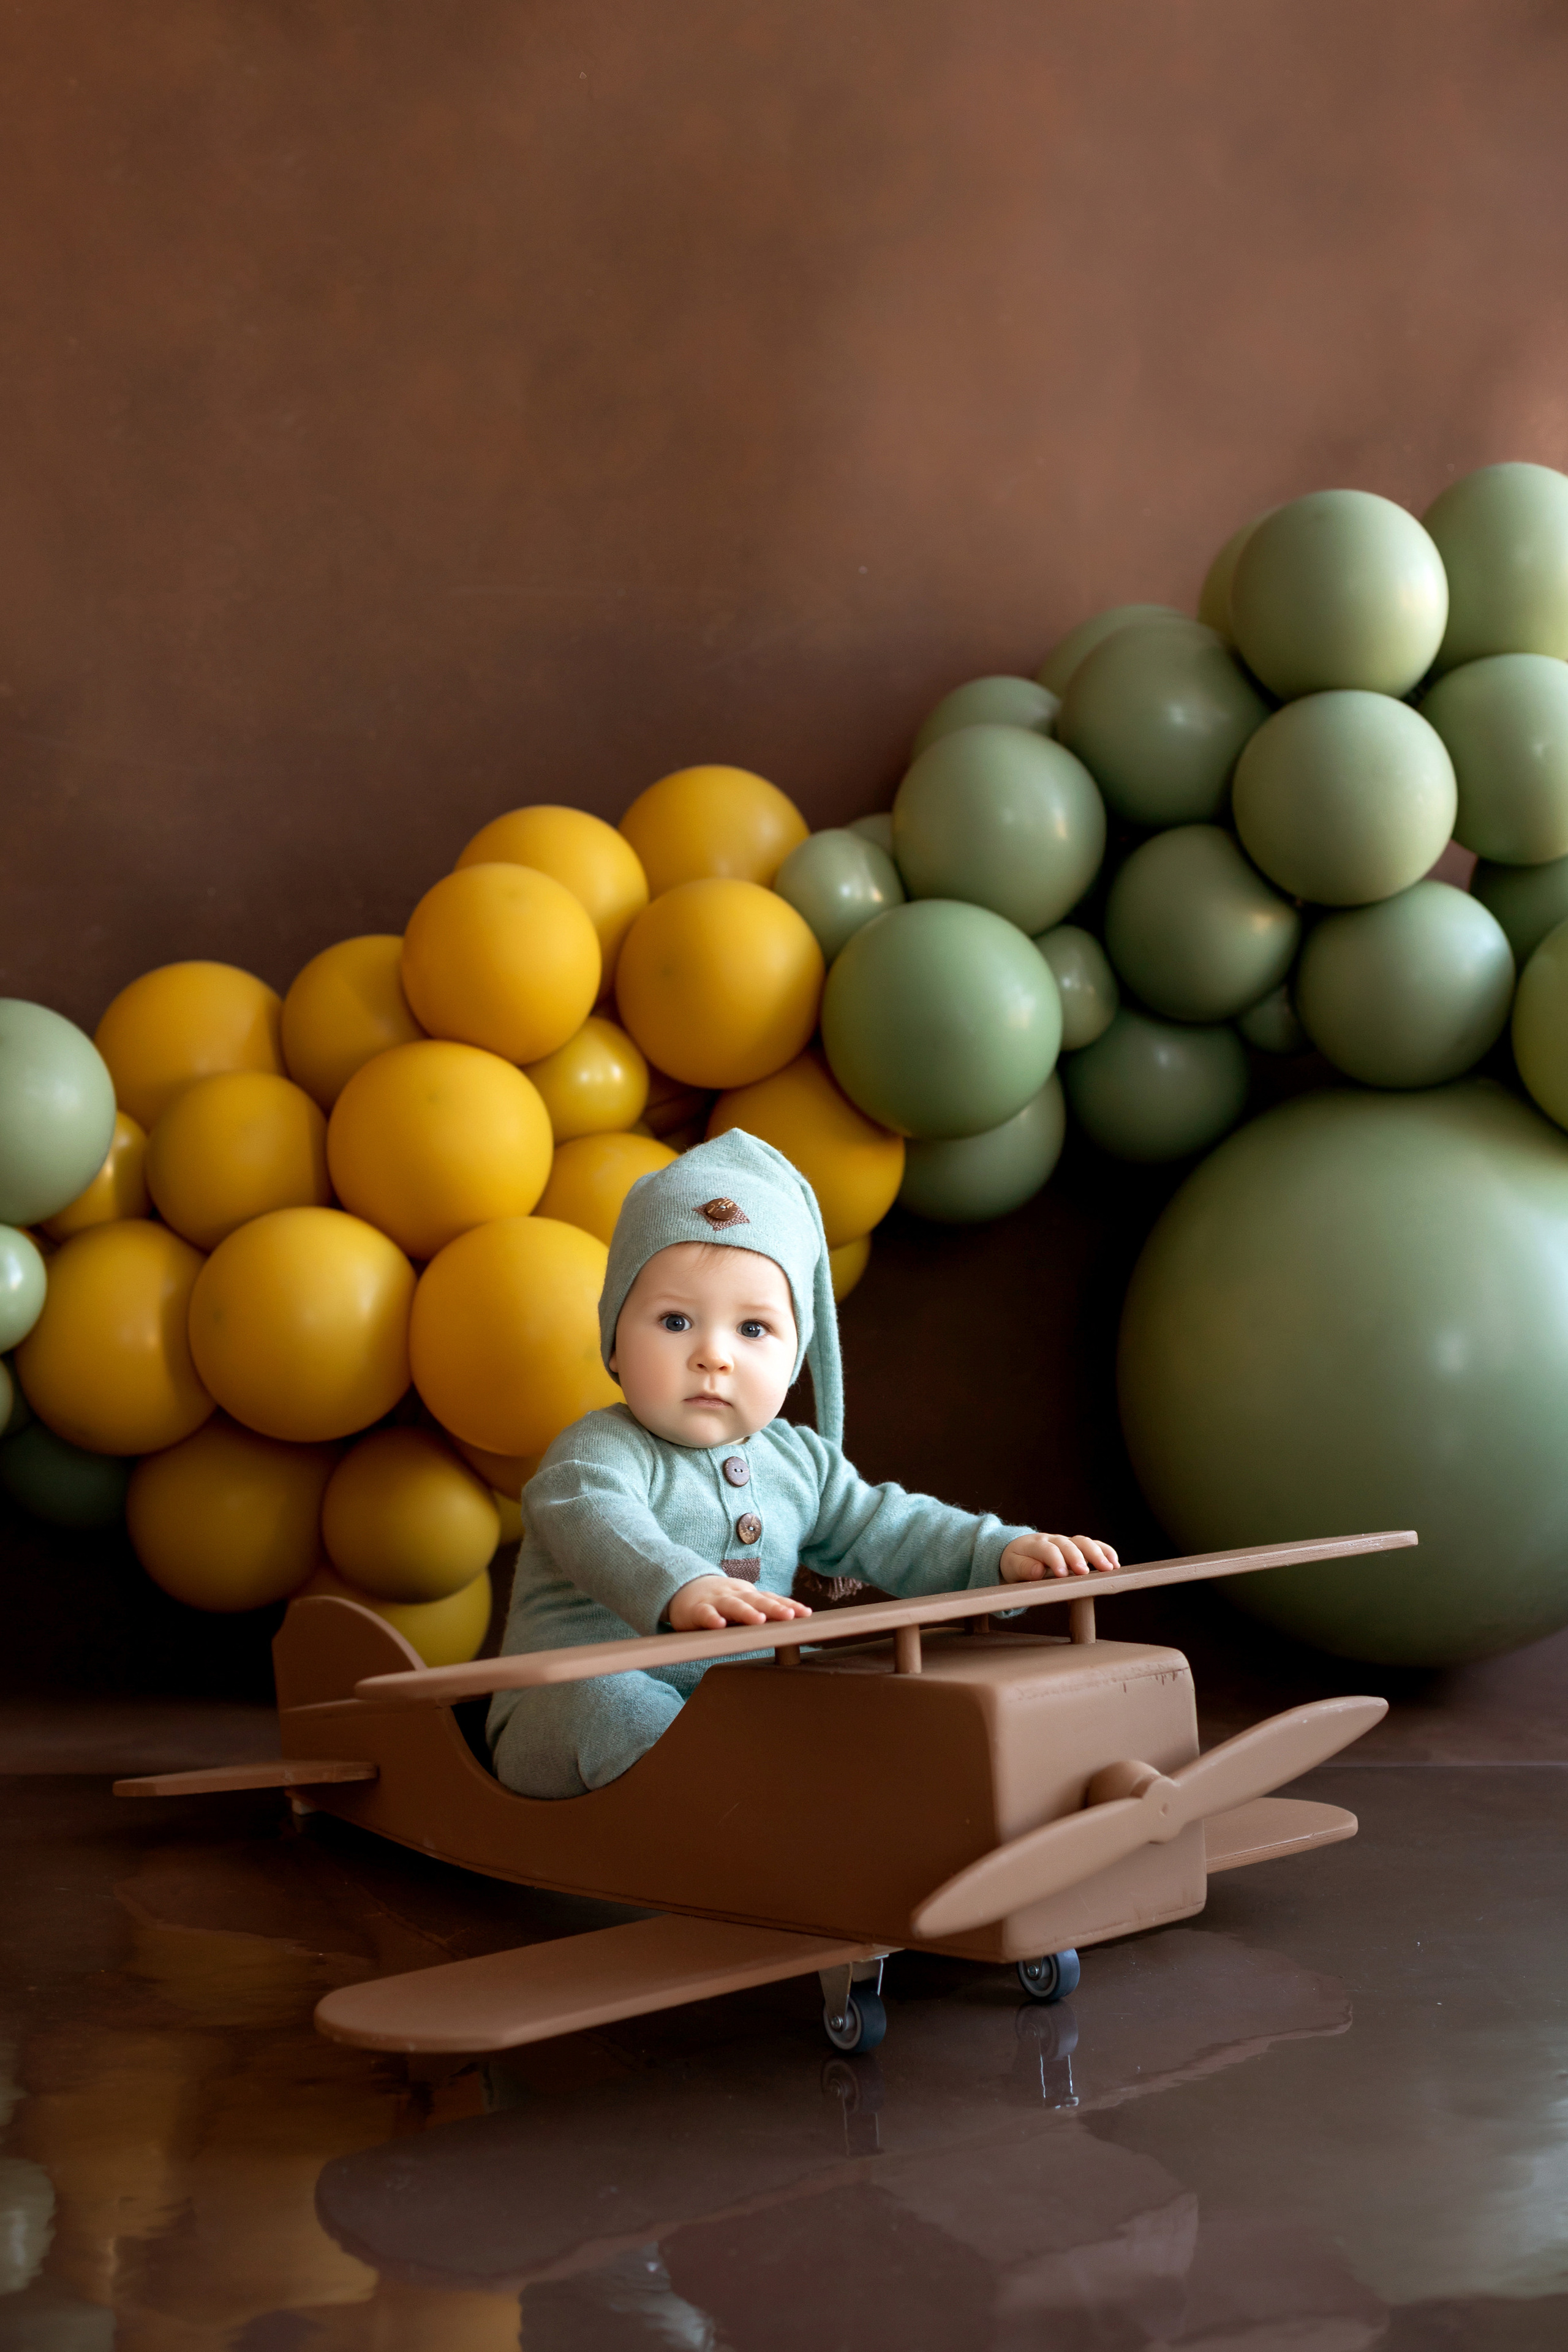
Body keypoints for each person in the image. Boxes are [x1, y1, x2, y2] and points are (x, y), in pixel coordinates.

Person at [488, 1129, 1119, 1798]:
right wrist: (682, 1587)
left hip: (739, 1710)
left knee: (857, 1694)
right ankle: (743, 1819)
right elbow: (601, 1524)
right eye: (674, 1322)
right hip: (564, 1706)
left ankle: (851, 1815)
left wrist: (999, 1553)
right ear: (614, 1341)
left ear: (794, 1359)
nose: (713, 1355)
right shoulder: (598, 1452)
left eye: (752, 1329)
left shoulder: (798, 1462)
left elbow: (893, 1525)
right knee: (608, 1704)